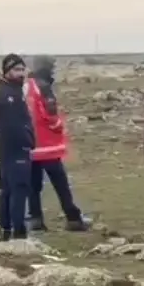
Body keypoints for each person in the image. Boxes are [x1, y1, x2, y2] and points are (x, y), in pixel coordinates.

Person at [25, 55, 91, 232]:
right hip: (48, 146)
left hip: (31, 145)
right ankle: (73, 218)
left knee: (33, 185)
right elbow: (50, 114)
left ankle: (35, 219)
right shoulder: (44, 87)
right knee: (61, 183)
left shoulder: (27, 86)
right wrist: (59, 125)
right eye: (52, 67)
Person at [0, 54, 35, 240]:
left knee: (8, 189)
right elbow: (11, 124)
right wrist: (27, 141)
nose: (21, 73)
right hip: (14, 147)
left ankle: (6, 230)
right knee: (18, 189)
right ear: (7, 71)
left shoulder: (8, 91)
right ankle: (18, 232)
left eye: (22, 69)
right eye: (16, 70)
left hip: (6, 147)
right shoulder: (7, 94)